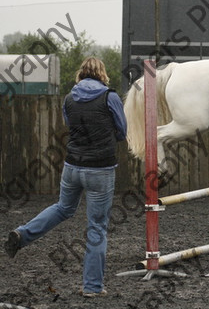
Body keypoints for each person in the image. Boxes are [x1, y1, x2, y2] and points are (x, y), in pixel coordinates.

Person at [4, 57, 127, 298]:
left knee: (63, 208)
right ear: (102, 74)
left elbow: (71, 125)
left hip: (72, 166)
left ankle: (23, 234)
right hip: (100, 170)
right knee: (96, 228)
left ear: (80, 74)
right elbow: (122, 131)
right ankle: (92, 287)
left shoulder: (69, 98)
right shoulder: (109, 97)